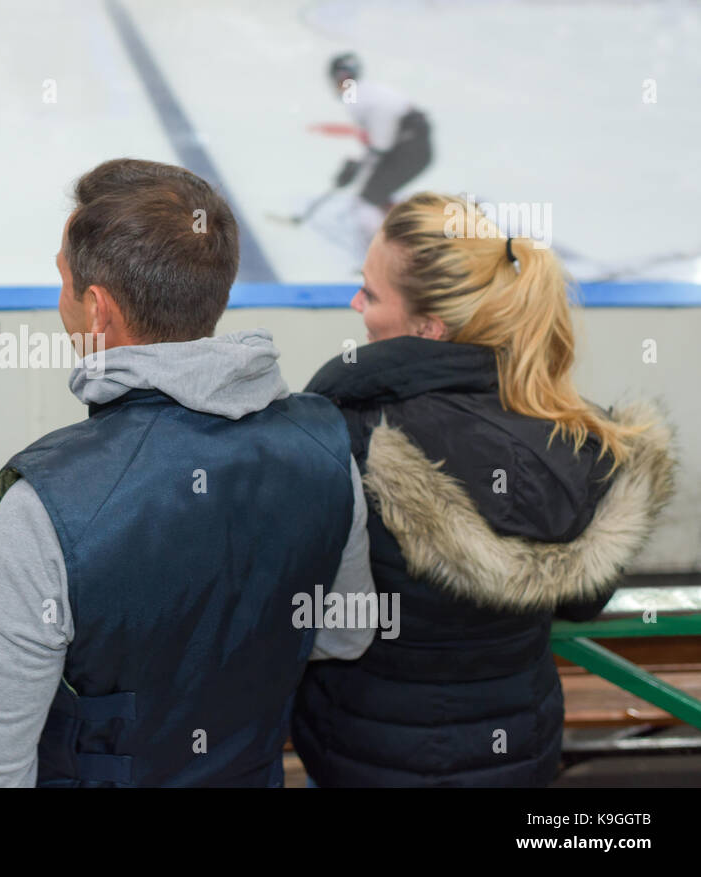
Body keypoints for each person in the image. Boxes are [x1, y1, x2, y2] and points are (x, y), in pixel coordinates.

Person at [0, 159, 376, 788]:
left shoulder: (49, 502)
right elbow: (345, 636)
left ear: (97, 310)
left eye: (61, 279)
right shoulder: (325, 445)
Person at [290, 193, 676, 786]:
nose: (355, 303)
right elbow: (583, 599)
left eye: (369, 292)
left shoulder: (350, 434)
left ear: (427, 328)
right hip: (518, 756)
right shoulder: (582, 439)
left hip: (367, 759)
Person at [327, 52, 433, 246]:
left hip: (411, 147)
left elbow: (381, 145)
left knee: (366, 202)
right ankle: (408, 239)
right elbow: (381, 145)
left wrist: (358, 169)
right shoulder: (366, 93)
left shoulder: (358, 99)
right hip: (415, 145)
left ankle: (380, 257)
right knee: (376, 196)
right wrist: (360, 166)